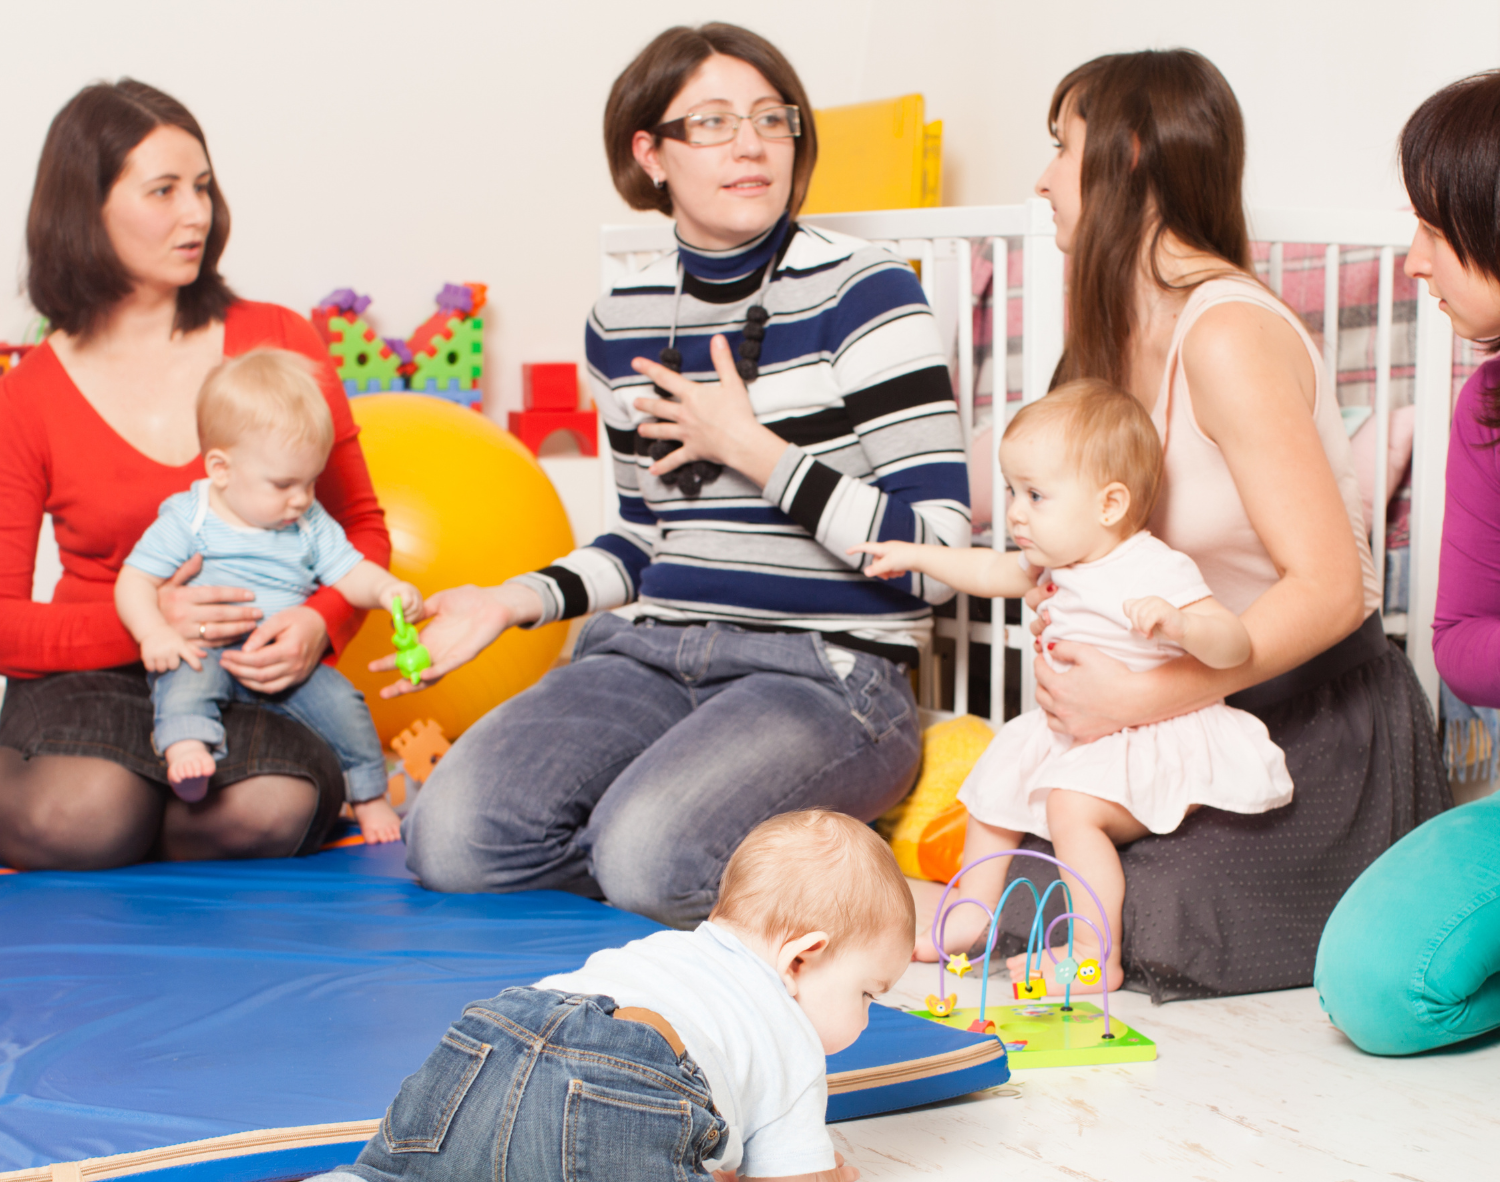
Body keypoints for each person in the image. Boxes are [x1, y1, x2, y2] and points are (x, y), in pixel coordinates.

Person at [389, 23, 968, 926]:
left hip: (826, 673)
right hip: (652, 654)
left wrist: (754, 450)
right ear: (650, 154)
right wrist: (509, 601)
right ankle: (693, 854)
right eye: (713, 123)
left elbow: (938, 555)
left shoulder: (869, 291)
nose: (751, 144)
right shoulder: (619, 318)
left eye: (772, 119)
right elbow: (641, 538)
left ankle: (747, 867)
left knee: (648, 859)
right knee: (450, 838)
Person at [990, 49, 1447, 1000]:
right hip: (1195, 713)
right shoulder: (1107, 337)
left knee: (1159, 921)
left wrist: (1139, 700)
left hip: (1313, 709)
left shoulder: (1227, 333)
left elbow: (1331, 590)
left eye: (1062, 148)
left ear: (1126, 156)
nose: (1042, 179)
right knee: (1032, 884)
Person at [272, 810, 914, 1182]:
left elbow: (569, 1070)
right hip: (624, 1078)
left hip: (495, 1032)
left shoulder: (670, 947)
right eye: (867, 992)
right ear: (802, 958)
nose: (866, 1015)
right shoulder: (792, 1036)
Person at [0, 80, 389, 870]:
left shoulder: (277, 340)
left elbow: (360, 530)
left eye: (203, 187)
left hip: (248, 675)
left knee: (267, 810)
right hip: (94, 672)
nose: (197, 214)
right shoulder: (27, 394)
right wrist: (147, 623)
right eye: (164, 190)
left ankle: (141, 819)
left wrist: (319, 623)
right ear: (85, 211)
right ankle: (121, 814)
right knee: (86, 814)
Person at [860, 381, 1291, 989]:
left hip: (1149, 733)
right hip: (1073, 729)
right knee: (991, 786)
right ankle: (970, 915)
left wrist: (1182, 625)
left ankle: (1094, 955)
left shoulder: (1152, 566)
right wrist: (917, 556)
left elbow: (1234, 644)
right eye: (1012, 491)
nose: (1015, 511)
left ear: (1109, 505)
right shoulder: (1056, 562)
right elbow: (986, 568)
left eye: (1035, 495)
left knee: (1071, 807)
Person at [1316, 72, 1500, 1055]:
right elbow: (1461, 643)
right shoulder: (1484, 413)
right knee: (1373, 981)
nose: (1416, 259)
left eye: (1434, 227)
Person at [115, 350, 419, 840]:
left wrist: (387, 589)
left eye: (311, 481)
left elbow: (349, 571)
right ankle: (188, 749)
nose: (301, 498)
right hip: (207, 649)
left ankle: (369, 795)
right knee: (181, 683)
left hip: (284, 661)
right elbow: (134, 580)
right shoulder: (189, 518)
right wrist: (153, 633)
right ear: (221, 469)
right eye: (284, 484)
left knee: (345, 705)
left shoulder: (307, 521)